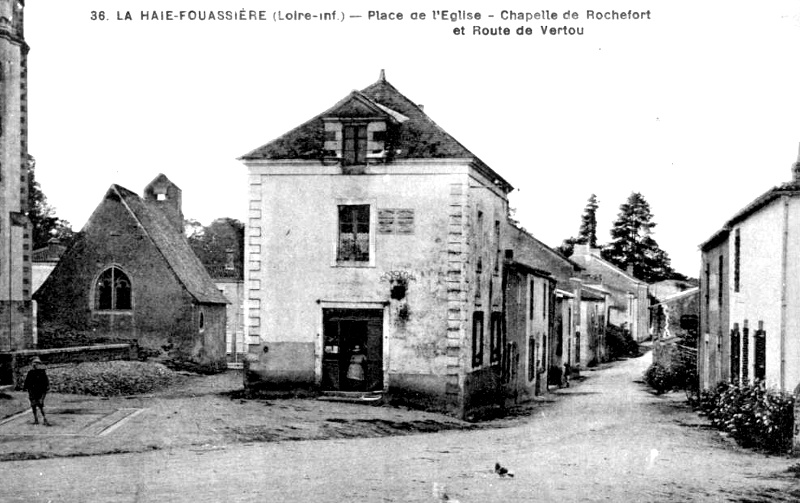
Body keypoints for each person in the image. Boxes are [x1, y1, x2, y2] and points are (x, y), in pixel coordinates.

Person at [23, 357, 50, 426]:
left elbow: (46, 384)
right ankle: (36, 419)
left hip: (40, 392)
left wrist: (43, 395)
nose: (35, 365)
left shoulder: (42, 373)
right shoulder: (30, 373)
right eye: (34, 364)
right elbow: (27, 382)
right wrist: (26, 388)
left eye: (37, 364)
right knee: (33, 405)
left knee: (40, 405)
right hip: (32, 391)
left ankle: (45, 418)